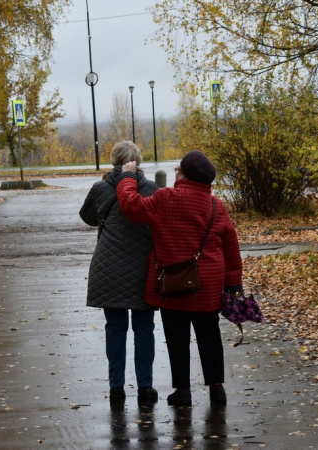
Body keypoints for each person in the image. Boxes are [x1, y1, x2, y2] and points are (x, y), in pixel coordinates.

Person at [118, 150, 243, 406]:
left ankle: (183, 392)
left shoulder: (165, 198)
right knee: (209, 336)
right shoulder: (216, 205)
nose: (175, 171)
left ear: (186, 174)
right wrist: (234, 282)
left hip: (173, 283)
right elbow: (231, 245)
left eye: (179, 168)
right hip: (208, 285)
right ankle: (217, 388)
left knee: (177, 339)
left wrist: (128, 177)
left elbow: (132, 206)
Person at [79, 141, 160, 404]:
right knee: (144, 327)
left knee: (115, 328)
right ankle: (146, 388)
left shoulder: (101, 188)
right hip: (142, 270)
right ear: (138, 161)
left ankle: (116, 389)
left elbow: (88, 217)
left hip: (108, 269)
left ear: (115, 161)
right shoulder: (151, 190)